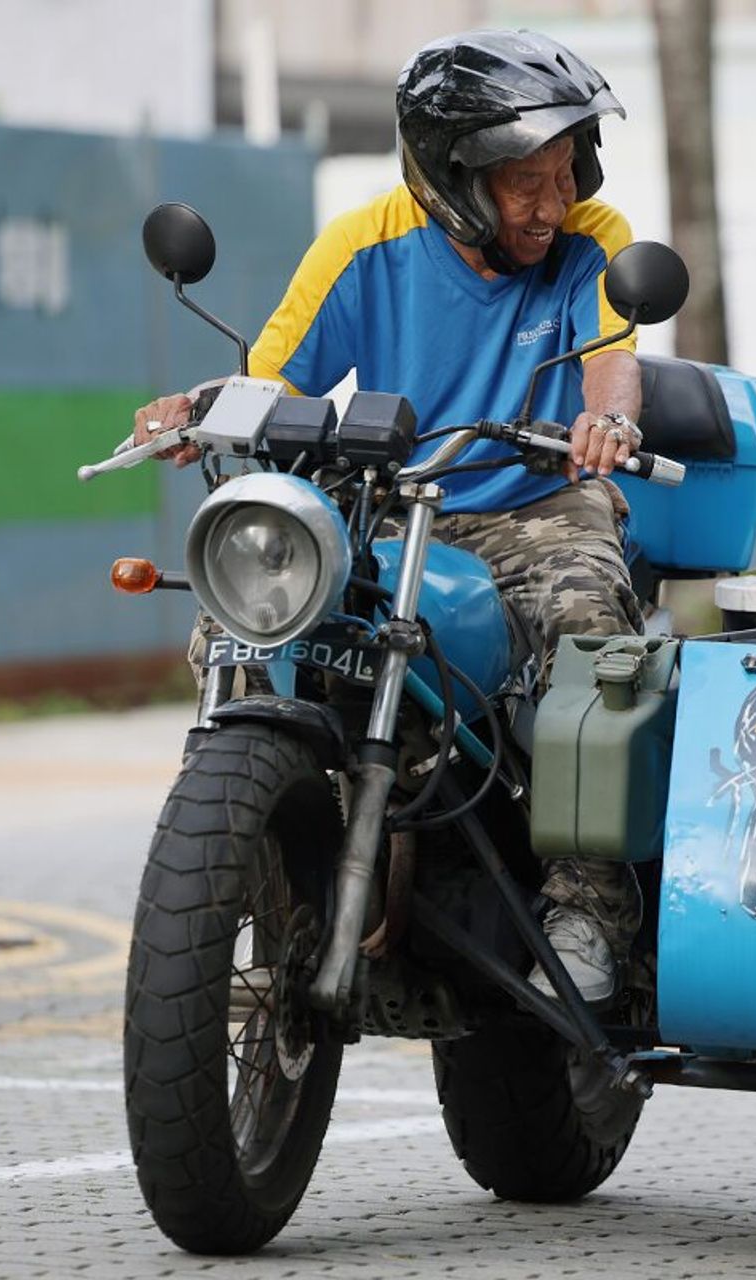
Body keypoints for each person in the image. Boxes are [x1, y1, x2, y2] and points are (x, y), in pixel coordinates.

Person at [128, 29, 648, 1004]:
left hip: (534, 500)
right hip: (393, 506)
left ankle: (589, 898)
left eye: (567, 167)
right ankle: (242, 847)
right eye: (526, 179)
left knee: (589, 620)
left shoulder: (594, 238)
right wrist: (199, 407)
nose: (555, 197)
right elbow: (273, 376)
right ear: (454, 176)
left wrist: (608, 417)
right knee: (246, 602)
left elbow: (612, 351)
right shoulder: (364, 243)